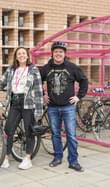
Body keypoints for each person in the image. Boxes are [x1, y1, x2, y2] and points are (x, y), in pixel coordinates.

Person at [0, 47, 43, 170]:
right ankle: (5, 158)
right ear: (16, 56)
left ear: (27, 56)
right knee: (8, 130)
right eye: (19, 54)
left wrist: (39, 110)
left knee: (28, 131)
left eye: (23, 53)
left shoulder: (33, 70)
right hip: (14, 102)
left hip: (28, 103)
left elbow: (38, 90)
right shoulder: (11, 70)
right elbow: (0, 83)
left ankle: (27, 158)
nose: (21, 55)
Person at [40, 41, 88, 172]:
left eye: (61, 52)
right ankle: (57, 157)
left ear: (64, 54)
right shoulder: (46, 68)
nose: (58, 54)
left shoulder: (72, 67)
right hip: (52, 107)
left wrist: (79, 96)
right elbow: (37, 80)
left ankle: (73, 161)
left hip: (68, 107)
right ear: (52, 53)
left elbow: (84, 80)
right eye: (56, 51)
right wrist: (43, 94)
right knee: (55, 134)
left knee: (71, 135)